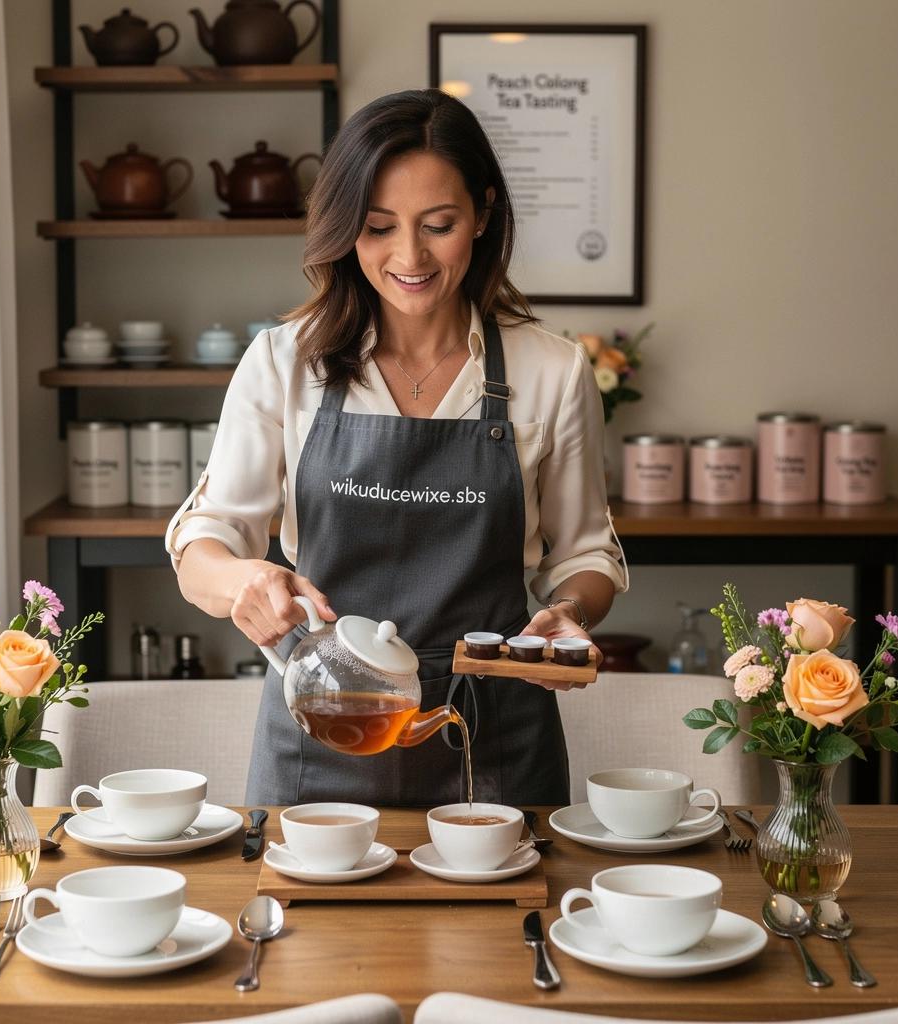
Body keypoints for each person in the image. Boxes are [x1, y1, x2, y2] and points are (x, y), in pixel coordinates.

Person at [166, 89, 628, 807]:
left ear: (482, 212)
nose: (408, 256)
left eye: (437, 225)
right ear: (345, 229)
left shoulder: (551, 371)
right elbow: (203, 544)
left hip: (492, 741)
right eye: (378, 227)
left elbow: (587, 556)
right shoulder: (286, 363)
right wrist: (245, 585)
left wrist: (568, 612)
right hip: (322, 728)